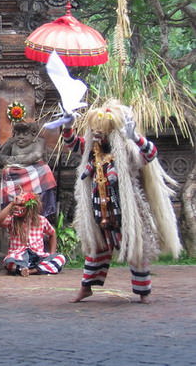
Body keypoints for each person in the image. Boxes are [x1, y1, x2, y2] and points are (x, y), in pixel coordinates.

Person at [63, 100, 181, 303]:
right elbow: (74, 144)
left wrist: (135, 137)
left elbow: (150, 154)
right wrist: (67, 126)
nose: (98, 133)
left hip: (126, 211)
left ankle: (143, 292)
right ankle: (86, 288)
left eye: (103, 130)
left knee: (136, 248)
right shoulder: (92, 150)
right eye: (95, 130)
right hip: (99, 208)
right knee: (96, 248)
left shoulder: (127, 151)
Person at [0, 191, 66, 276]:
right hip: (19, 256)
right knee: (9, 261)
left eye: (21, 206)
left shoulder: (41, 220)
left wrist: (52, 253)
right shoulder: (12, 220)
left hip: (38, 256)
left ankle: (31, 271)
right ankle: (26, 268)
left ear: (30, 208)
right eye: (16, 206)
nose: (17, 208)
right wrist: (12, 204)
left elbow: (52, 234)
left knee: (60, 258)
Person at [0, 121, 57, 218]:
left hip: (35, 171)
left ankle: (42, 210)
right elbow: (0, 156)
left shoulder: (39, 141)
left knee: (45, 170)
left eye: (25, 134)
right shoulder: (11, 142)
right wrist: (15, 161)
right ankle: (13, 207)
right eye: (18, 133)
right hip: (15, 172)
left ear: (33, 135)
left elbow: (36, 156)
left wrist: (14, 159)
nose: (20, 137)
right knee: (6, 171)